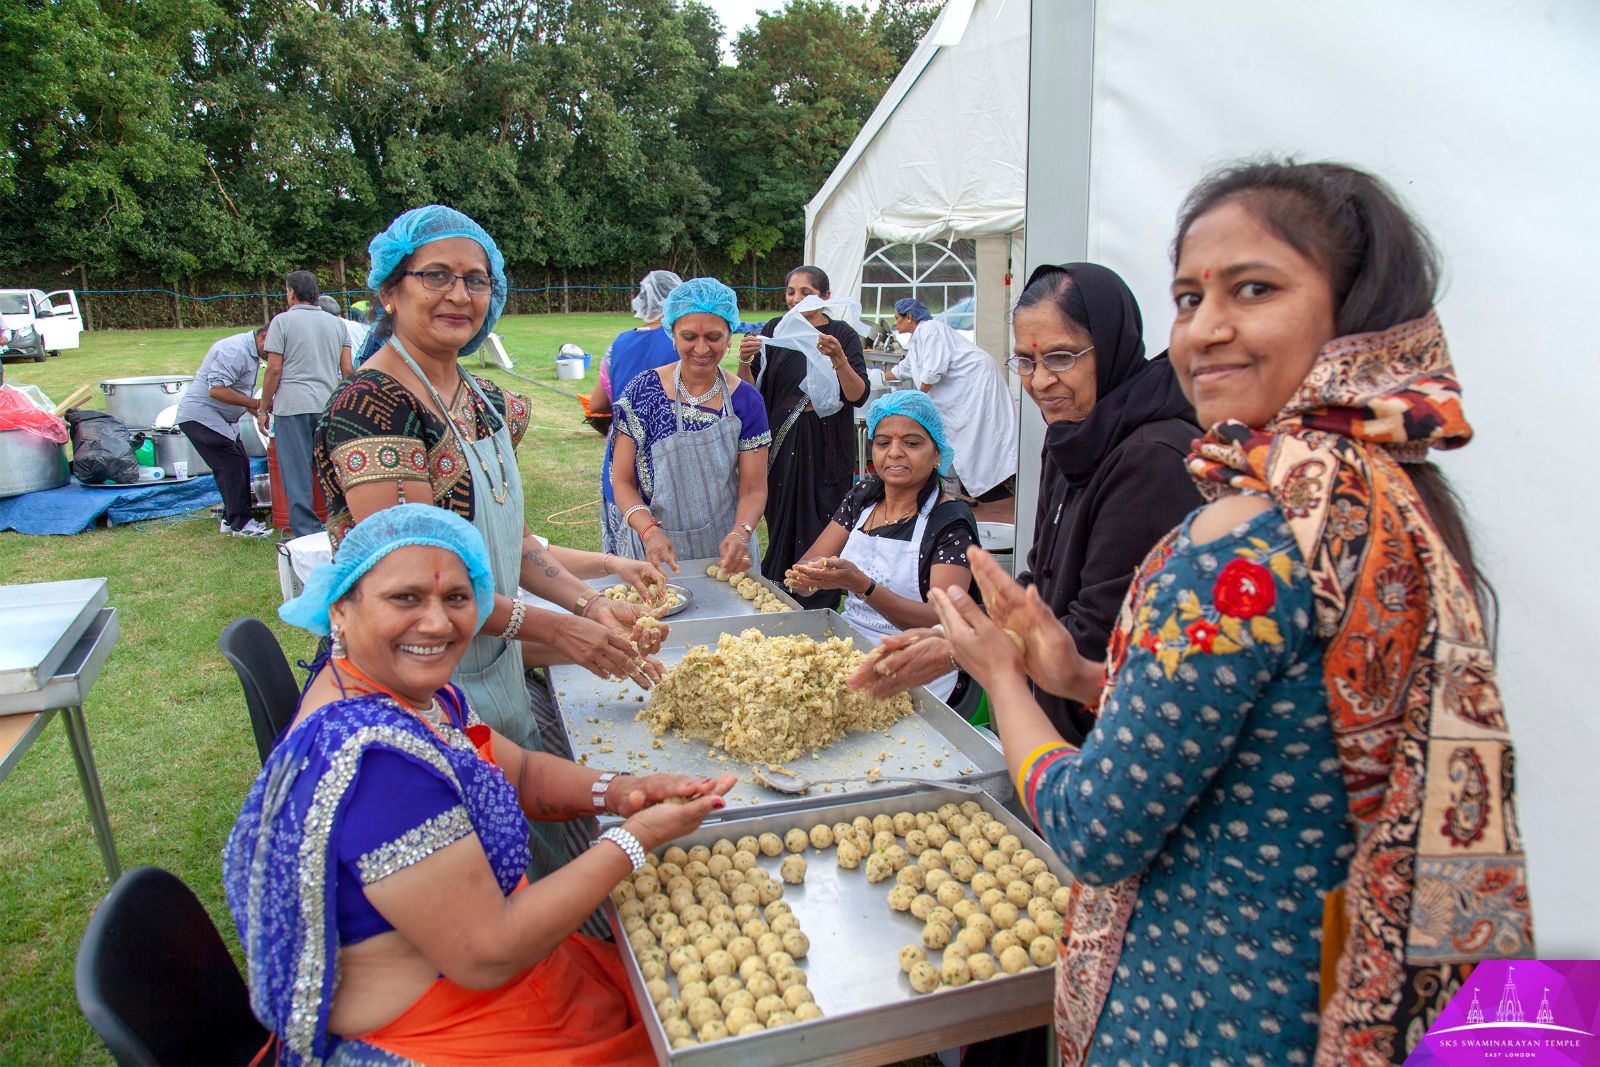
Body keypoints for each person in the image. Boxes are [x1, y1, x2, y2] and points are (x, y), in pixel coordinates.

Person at [919, 160, 1533, 1065]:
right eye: (1188, 296)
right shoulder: (1379, 495)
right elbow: (1272, 721)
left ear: (1351, 312)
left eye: (1253, 289)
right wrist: (1082, 677)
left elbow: (1096, 827)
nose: (1205, 330)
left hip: (1213, 1006)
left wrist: (1003, 678)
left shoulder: (1239, 543)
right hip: (1336, 982)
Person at [224, 505, 735, 1067]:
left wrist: (619, 791)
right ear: (339, 609)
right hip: (445, 1032)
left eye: (457, 599)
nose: (438, 624)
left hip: (505, 982)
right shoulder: (378, 762)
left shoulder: (408, 690)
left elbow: (518, 771)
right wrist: (632, 839)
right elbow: (487, 953)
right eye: (406, 598)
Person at [315, 206, 668, 876]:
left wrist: (589, 605)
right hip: (415, 682)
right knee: (477, 877)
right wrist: (561, 631)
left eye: (476, 280)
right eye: (436, 276)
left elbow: (511, 543)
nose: (459, 294)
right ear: (390, 289)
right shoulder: (373, 407)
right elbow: (422, 592)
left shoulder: (482, 400)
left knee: (530, 854)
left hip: (493, 666)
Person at [859, 266, 1201, 744]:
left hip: (1117, 732)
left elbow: (1098, 633)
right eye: (1025, 361)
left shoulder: (1152, 460)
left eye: (1062, 357)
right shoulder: (1074, 436)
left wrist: (965, 649)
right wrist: (953, 634)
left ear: (1113, 344)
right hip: (1054, 711)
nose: (1040, 382)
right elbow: (1040, 583)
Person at [785, 392, 976, 701]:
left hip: (919, 667)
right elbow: (808, 569)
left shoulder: (950, 521)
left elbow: (939, 619)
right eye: (884, 443)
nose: (895, 453)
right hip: (850, 648)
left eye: (912, 444)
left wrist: (862, 585)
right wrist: (806, 579)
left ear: (937, 453)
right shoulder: (862, 498)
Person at [609, 277, 770, 577]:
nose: (701, 348)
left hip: (724, 551)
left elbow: (753, 488)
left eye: (713, 336)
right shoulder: (643, 393)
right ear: (672, 335)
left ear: (729, 336)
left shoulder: (746, 401)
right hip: (653, 547)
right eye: (689, 337)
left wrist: (741, 532)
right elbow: (621, 481)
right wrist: (649, 531)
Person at [736, 265, 869, 608]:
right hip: (782, 452)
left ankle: (820, 601)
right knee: (782, 523)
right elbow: (751, 395)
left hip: (827, 453)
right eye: (790, 292)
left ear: (826, 298)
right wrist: (744, 362)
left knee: (823, 523)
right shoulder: (775, 331)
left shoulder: (842, 334)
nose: (795, 299)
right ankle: (779, 595)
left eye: (806, 292)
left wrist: (839, 359)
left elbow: (857, 395)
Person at [886, 297, 1017, 505]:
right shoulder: (916, 340)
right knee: (959, 439)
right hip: (961, 393)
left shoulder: (931, 329)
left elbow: (933, 372)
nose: (895, 323)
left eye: (897, 318)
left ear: (909, 317)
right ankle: (958, 492)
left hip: (976, 383)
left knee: (982, 437)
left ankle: (1001, 485)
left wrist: (918, 401)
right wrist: (871, 376)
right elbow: (902, 370)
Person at [260, 270, 353, 537]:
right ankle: (341, 522)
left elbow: (274, 369)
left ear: (291, 292)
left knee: (296, 471)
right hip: (327, 405)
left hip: (292, 406)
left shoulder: (282, 322)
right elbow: (348, 370)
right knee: (330, 469)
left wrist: (264, 408)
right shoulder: (337, 324)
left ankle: (306, 531)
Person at [595, 270, 682, 547]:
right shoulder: (684, 343)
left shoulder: (618, 345)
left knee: (627, 553)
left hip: (622, 460)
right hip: (673, 458)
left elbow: (597, 405)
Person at [174, 326, 274, 538]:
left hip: (219, 419)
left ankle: (230, 519)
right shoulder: (234, 350)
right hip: (201, 416)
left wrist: (259, 413)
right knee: (231, 465)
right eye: (274, 349)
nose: (275, 355)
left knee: (239, 463)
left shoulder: (251, 353)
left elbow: (237, 392)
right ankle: (241, 524)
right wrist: (258, 403)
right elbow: (217, 390)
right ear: (263, 337)